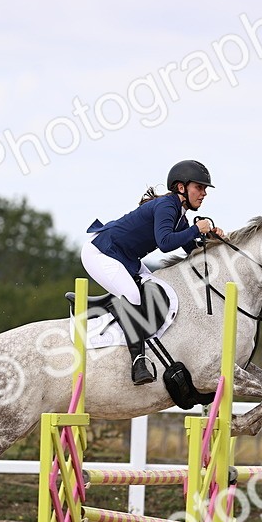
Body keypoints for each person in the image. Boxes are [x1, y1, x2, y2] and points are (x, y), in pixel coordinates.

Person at [82, 159, 223, 385]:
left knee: (157, 288)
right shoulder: (167, 206)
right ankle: (138, 361)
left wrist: (213, 240)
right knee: (134, 296)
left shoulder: (179, 214)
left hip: (125, 258)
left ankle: (100, 305)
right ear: (181, 187)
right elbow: (165, 243)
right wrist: (197, 229)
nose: (204, 193)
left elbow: (190, 250)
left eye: (204, 188)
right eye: (199, 187)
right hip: (101, 252)